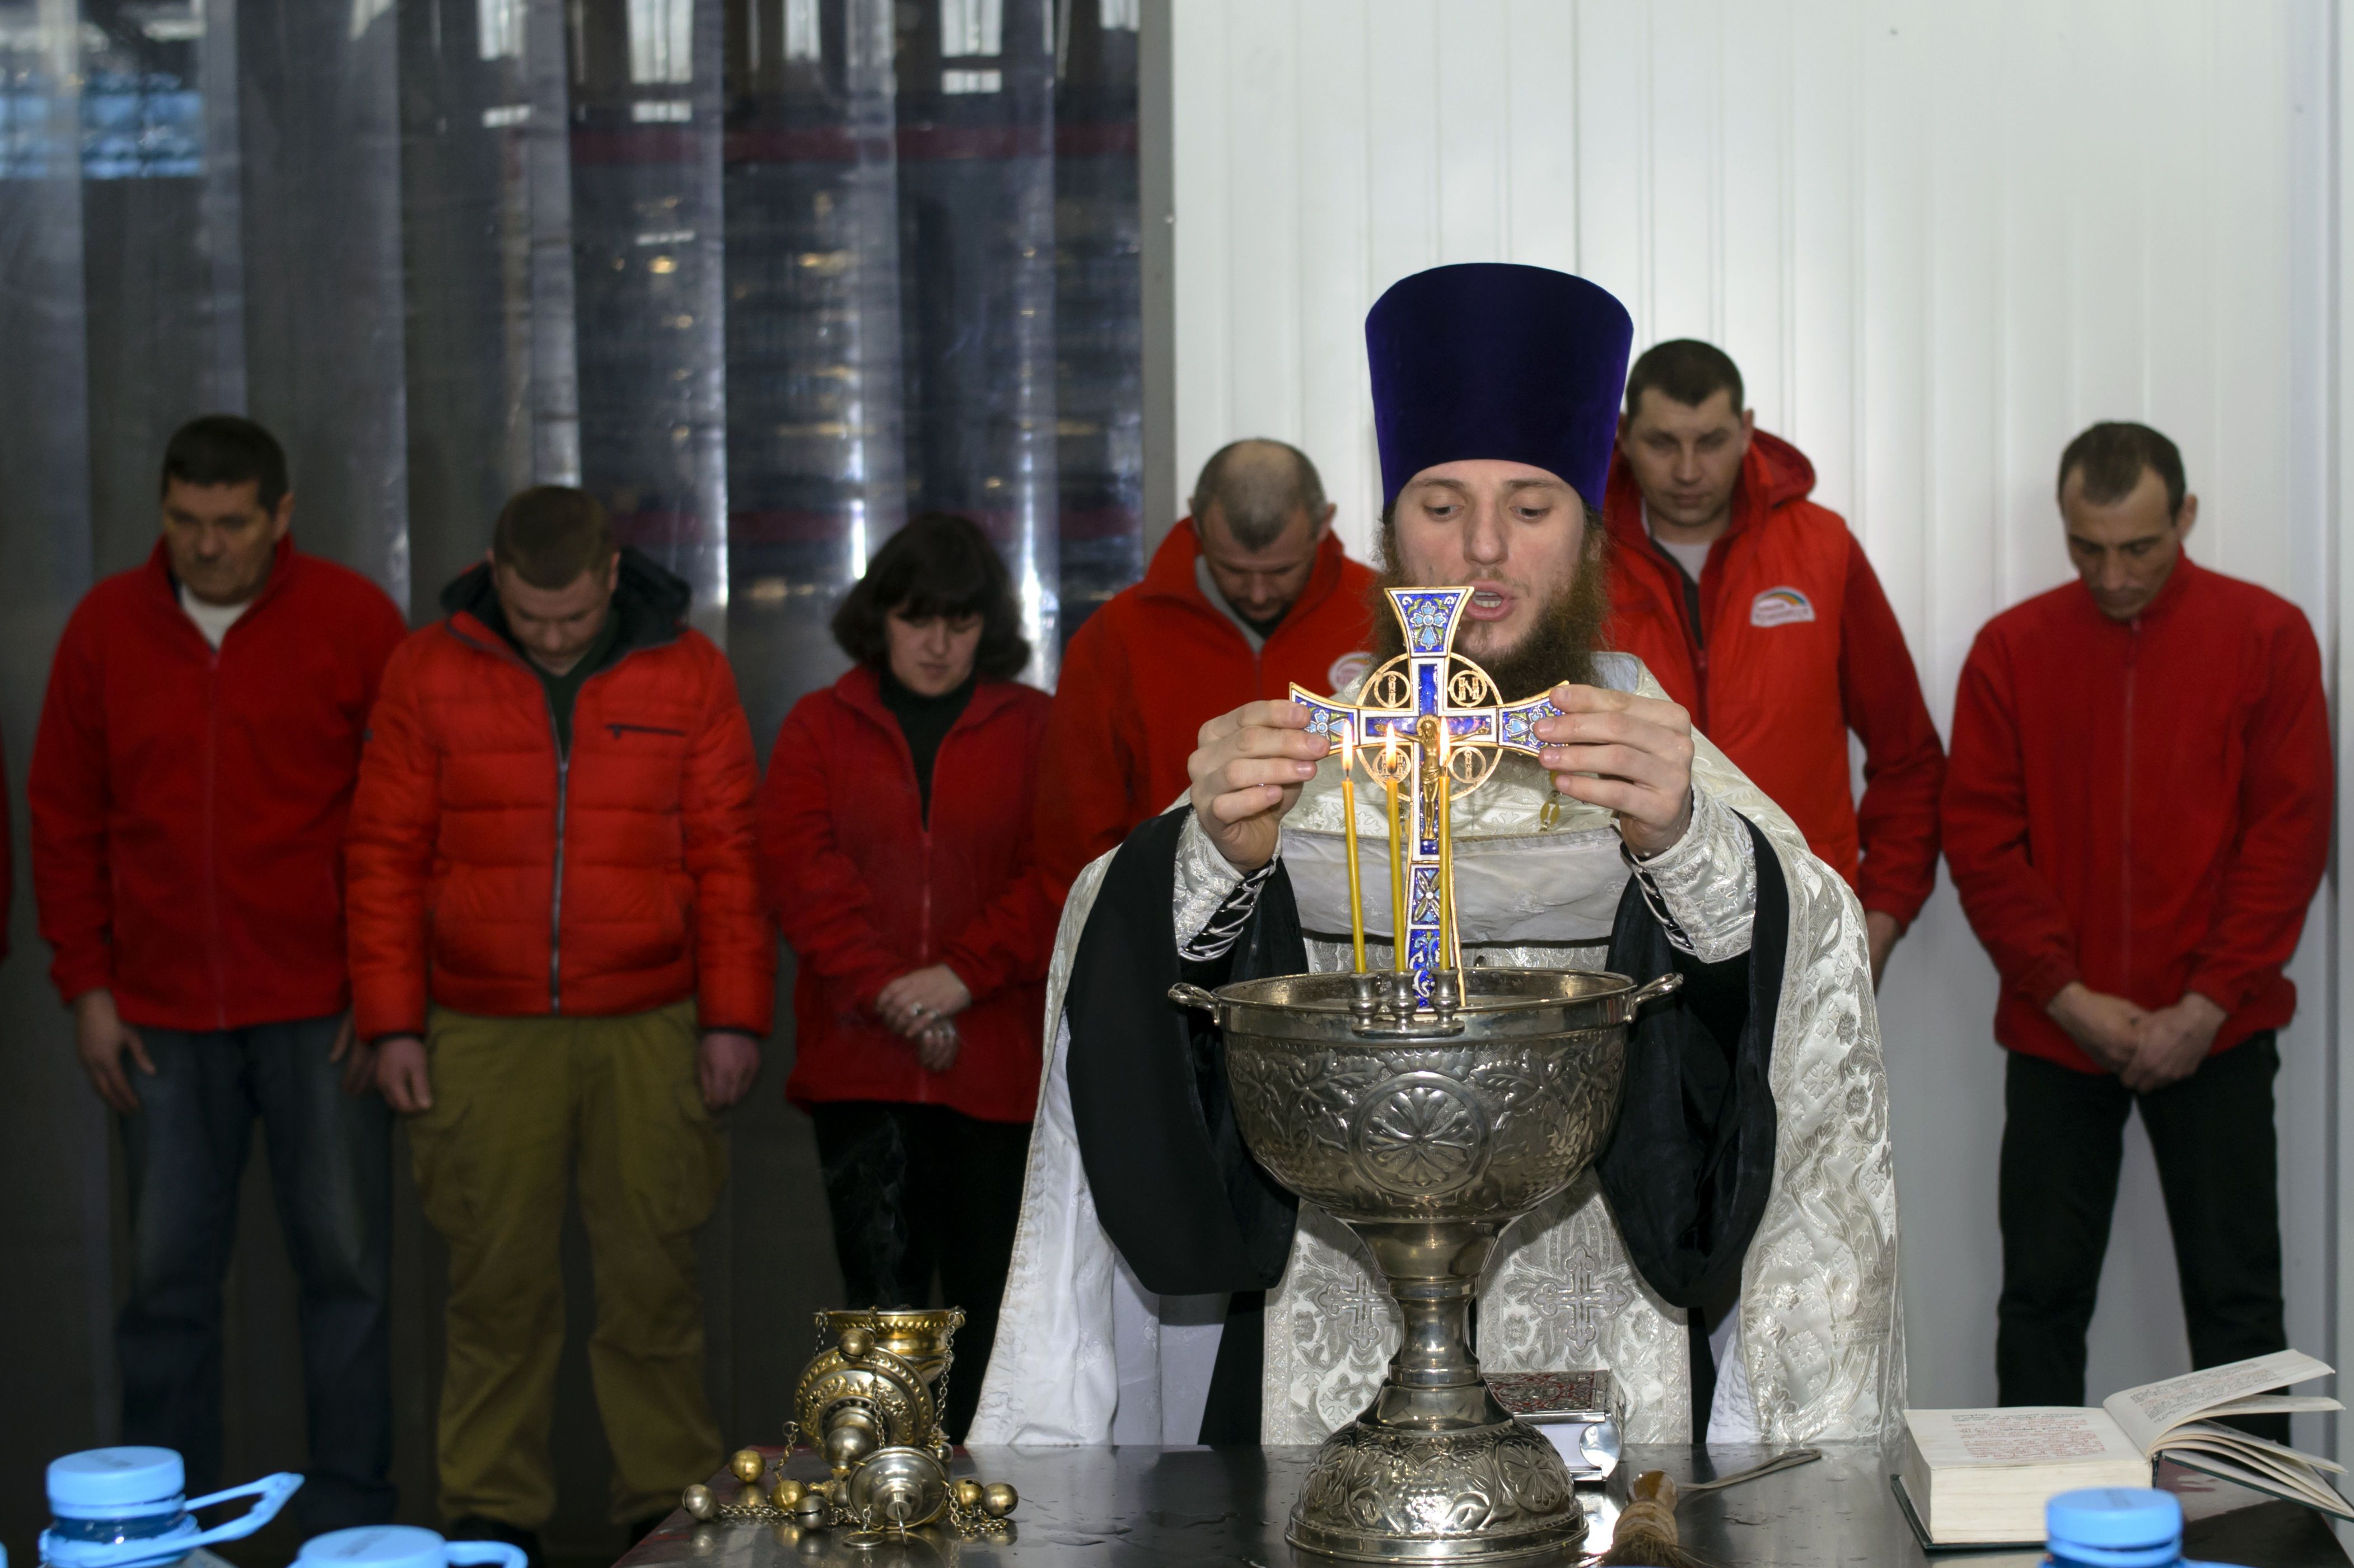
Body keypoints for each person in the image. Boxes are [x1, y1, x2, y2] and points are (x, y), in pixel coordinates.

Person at [977, 262, 1904, 1449]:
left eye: (1530, 508)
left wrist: (1694, 850)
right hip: (1319, 1324)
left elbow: (1807, 969)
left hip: (1607, 1324)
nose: (1482, 553)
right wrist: (1202, 858)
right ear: (1381, 537)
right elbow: (1112, 955)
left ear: (1587, 533)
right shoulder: (1318, 746)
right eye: (1439, 506)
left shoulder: (1655, 759)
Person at [346, 485, 773, 1565]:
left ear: (612, 577)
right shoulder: (425, 669)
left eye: (573, 619)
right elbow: (384, 853)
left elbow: (728, 858)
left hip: (651, 1020)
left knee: (652, 1278)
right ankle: (488, 1518)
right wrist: (393, 1022)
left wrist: (733, 1018)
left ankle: (663, 1515)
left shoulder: (689, 672)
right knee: (493, 1284)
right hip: (480, 1027)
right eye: (530, 618)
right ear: (492, 573)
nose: (550, 637)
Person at [30, 414, 409, 1533]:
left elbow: (397, 819)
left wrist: (378, 992)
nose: (207, 546)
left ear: (280, 517)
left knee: (348, 1282)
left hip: (321, 1012)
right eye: (185, 522)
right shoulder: (105, 629)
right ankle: (158, 1539)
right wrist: (86, 989)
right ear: (163, 513)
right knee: (164, 1296)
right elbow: (64, 820)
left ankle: (351, 1533)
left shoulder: (351, 621)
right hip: (156, 1018)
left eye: (231, 523)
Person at [1941, 422, 2331, 1418]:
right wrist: (2065, 995)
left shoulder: (2267, 637)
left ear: (2185, 518)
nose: (2111, 575)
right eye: (2086, 548)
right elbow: (1981, 840)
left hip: (2220, 1030)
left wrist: (2203, 1002)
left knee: (2237, 1309)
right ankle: (2025, 1550)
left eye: (2137, 548)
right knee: (2038, 1301)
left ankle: (2251, 1552)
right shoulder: (2010, 650)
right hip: (2055, 1030)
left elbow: (2286, 838)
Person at [760, 513, 1054, 1440]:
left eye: (960, 622)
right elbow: (799, 873)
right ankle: (880, 1507)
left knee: (988, 1309)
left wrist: (961, 976)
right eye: (917, 617)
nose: (937, 643)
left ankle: (980, 1507)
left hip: (994, 1064)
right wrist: (894, 986)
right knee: (878, 1310)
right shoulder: (819, 724)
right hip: (863, 1064)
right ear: (879, 615)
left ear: (990, 628)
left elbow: (1058, 871)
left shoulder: (1035, 725)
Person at [1607, 339, 1943, 982]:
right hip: (1636, 947)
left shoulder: (1822, 550)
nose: (1685, 470)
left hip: (1805, 934)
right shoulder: (1576, 564)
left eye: (1709, 442)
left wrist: (1880, 918)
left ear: (1746, 431)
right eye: (1661, 443)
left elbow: (1909, 758)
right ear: (1622, 437)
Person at [1032, 438, 1376, 908]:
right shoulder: (1118, 636)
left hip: (1350, 922)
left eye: (1280, 571)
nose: (1257, 593)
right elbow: (1075, 829)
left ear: (1323, 523)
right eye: (1234, 569)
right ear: (1197, 520)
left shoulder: (1380, 618)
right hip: (1170, 919)